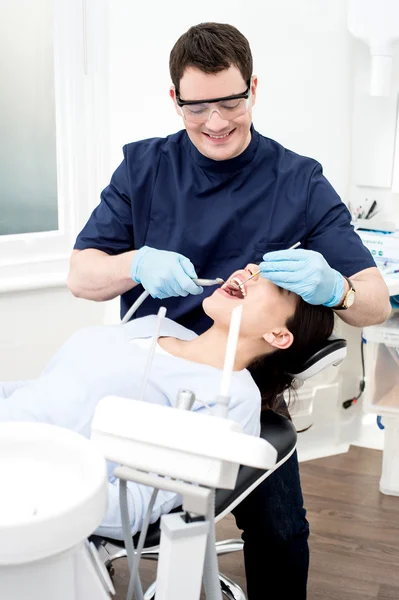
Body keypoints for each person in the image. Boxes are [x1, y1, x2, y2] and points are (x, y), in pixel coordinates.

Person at [67, 22, 391, 598]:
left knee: (281, 528)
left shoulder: (298, 181)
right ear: (175, 100)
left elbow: (370, 302)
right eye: (196, 107)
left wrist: (335, 288)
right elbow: (82, 275)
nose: (215, 121)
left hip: (239, 386)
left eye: (230, 102)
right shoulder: (143, 169)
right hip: (152, 372)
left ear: (253, 89)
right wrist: (135, 262)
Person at [0, 266, 333, 539]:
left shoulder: (229, 399)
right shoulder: (155, 325)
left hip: (26, 485)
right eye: (254, 267)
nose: (249, 272)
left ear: (278, 335)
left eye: (273, 285)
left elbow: (135, 508)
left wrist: (34, 495)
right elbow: (48, 390)